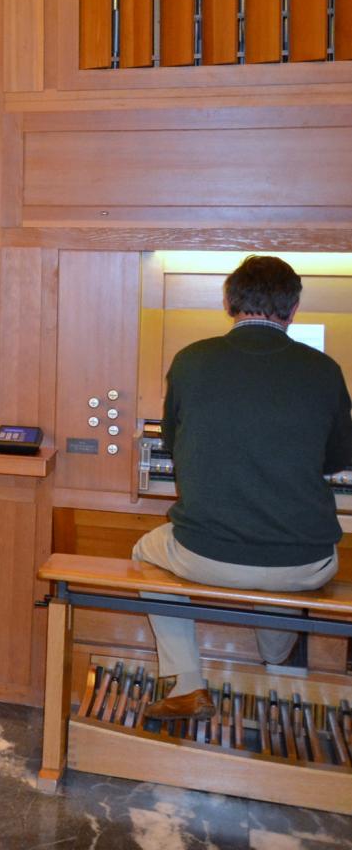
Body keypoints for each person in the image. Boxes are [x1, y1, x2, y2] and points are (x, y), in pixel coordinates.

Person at [134, 255, 351, 720]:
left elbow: (172, 441)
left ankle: (187, 684)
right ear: (293, 309)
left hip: (203, 553)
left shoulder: (191, 360)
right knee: (283, 562)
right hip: (307, 562)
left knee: (145, 553)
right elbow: (338, 459)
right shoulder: (325, 369)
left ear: (229, 303)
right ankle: (275, 660)